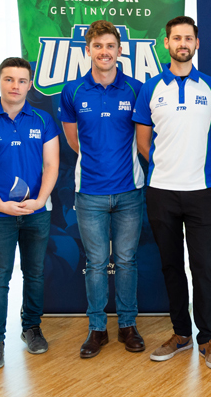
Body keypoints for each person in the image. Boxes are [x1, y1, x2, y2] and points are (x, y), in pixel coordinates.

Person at [132, 16, 211, 370]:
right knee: (171, 265)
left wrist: (202, 164)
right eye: (176, 38)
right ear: (167, 44)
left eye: (188, 38)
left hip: (201, 190)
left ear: (197, 43)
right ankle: (180, 334)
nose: (182, 43)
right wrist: (164, 166)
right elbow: (143, 141)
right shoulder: (151, 87)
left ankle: (207, 338)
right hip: (161, 192)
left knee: (203, 265)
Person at [0, 57, 60, 369]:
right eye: (9, 79)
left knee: (34, 273)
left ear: (29, 85)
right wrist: (0, 204)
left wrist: (40, 199)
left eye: (21, 80)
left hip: (36, 212)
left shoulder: (44, 120)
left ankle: (31, 327)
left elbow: (51, 165)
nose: (15, 86)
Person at [59, 20, 146, 358]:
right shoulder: (73, 91)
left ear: (120, 50)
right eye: (98, 46)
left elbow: (143, 138)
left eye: (110, 46)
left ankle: (127, 325)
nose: (104, 52)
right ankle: (97, 328)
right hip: (90, 192)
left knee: (126, 261)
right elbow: (72, 139)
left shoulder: (137, 89)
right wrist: (99, 159)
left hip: (129, 191)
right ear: (88, 50)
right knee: (96, 263)